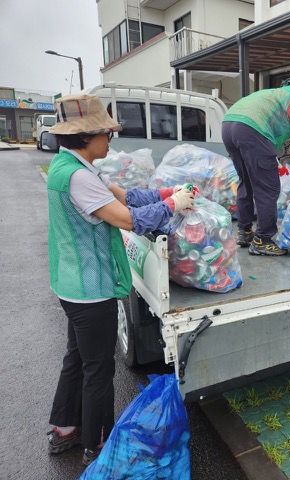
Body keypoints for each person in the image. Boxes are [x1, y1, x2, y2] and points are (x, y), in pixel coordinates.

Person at [45, 93, 194, 466]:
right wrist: (174, 207)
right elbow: (127, 219)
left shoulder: (71, 167)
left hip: (70, 285)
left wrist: (166, 194)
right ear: (86, 136)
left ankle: (64, 429)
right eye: (105, 134)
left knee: (77, 359)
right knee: (98, 370)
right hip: (89, 289)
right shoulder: (79, 177)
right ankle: (98, 446)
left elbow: (128, 197)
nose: (109, 140)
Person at [222, 72, 290, 256]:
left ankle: (245, 232)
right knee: (269, 189)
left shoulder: (275, 94)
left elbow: (262, 130)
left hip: (229, 125)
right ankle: (262, 240)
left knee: (246, 181)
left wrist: (276, 164)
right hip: (249, 130)